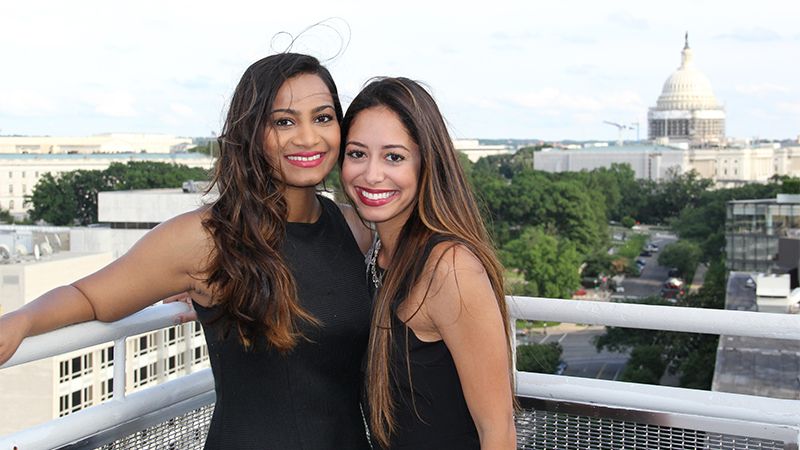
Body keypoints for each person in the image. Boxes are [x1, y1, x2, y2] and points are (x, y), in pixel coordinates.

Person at [0, 53, 374, 449]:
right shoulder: (207, 239)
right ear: (250, 133)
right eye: (284, 121)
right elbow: (90, 297)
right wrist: (22, 320)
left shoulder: (357, 227)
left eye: (323, 117)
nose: (308, 137)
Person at [340, 77, 516, 449]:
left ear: (426, 163)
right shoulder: (376, 251)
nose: (371, 174)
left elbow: (497, 431)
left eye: (394, 157)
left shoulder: (449, 268)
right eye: (357, 153)